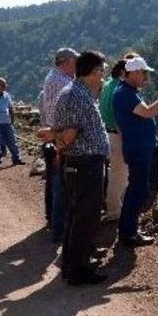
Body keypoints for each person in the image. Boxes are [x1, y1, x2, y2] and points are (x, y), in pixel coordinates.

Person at [48, 50, 109, 285]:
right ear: (93, 72)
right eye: (101, 70)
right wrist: (60, 148)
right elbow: (70, 134)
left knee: (77, 214)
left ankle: (72, 261)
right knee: (85, 216)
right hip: (84, 164)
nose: (103, 74)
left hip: (82, 163)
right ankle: (78, 270)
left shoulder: (79, 92)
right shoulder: (76, 95)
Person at [113, 57, 158, 247]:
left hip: (139, 147)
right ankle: (128, 233)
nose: (146, 77)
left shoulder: (129, 92)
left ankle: (130, 229)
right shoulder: (125, 94)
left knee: (137, 189)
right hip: (138, 149)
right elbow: (148, 112)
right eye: (144, 73)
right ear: (134, 73)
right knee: (137, 190)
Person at [39, 47, 78, 242]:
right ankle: (59, 227)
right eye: (75, 61)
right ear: (66, 62)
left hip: (53, 135)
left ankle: (52, 218)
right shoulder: (62, 81)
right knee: (60, 182)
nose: (77, 65)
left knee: (54, 180)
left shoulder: (53, 77)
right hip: (60, 137)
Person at [99, 53, 137, 221]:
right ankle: (114, 211)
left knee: (114, 173)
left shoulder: (107, 85)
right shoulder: (119, 89)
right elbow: (117, 116)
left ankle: (112, 206)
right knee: (119, 175)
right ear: (123, 72)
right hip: (117, 135)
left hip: (107, 133)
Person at [0, 78, 25, 168]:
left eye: (4, 86)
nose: (4, 87)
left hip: (6, 122)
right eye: (2, 85)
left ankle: (16, 158)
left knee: (12, 141)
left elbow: (10, 108)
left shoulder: (6, 95)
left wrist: (12, 121)